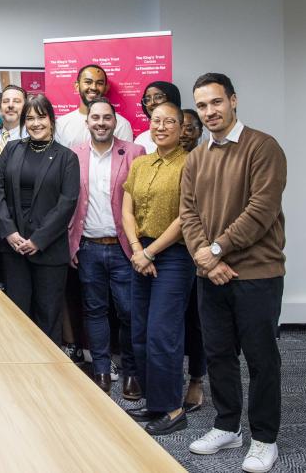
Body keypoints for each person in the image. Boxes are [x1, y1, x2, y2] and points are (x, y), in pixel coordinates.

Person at [183, 73, 287, 473]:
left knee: (262, 359)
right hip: (210, 274)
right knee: (218, 354)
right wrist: (207, 259)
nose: (210, 112)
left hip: (257, 273)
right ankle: (228, 426)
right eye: (203, 105)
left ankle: (264, 438)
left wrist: (214, 250)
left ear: (233, 101)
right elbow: (188, 213)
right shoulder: (196, 157)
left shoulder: (263, 147)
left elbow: (260, 211)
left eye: (216, 102)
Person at [121, 101, 195, 436]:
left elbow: (185, 217)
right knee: (140, 334)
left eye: (169, 122)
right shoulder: (140, 163)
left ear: (182, 129)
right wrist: (139, 250)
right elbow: (127, 208)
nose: (161, 126)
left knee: (162, 335)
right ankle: (155, 401)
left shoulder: (190, 164)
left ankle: (174, 409)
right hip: (141, 253)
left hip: (174, 257)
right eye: (155, 121)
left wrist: (150, 252)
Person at [67, 97, 145, 396]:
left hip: (124, 248)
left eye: (106, 118)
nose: (100, 122)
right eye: (95, 118)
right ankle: (100, 370)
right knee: (94, 311)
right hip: (87, 248)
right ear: (87, 122)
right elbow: (70, 204)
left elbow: (140, 201)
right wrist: (71, 244)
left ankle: (130, 372)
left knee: (128, 312)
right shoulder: (74, 155)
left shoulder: (134, 152)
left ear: (115, 121)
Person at [0, 94, 79, 344]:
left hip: (49, 250)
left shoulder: (67, 157)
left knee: (48, 315)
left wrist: (38, 239)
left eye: (41, 117)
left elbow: (67, 203)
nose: (36, 123)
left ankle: (48, 377)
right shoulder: (12, 149)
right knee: (17, 314)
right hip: (14, 248)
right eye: (30, 118)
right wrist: (10, 232)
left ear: (51, 120)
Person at [179, 106, 206, 412]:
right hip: (171, 252)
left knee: (198, 322)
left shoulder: (206, 161)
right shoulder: (166, 160)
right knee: (177, 321)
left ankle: (197, 380)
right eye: (180, 126)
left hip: (201, 253)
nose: (184, 133)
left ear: (200, 132)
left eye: (190, 128)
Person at [54, 64, 133, 147]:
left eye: (99, 83)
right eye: (88, 82)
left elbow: (126, 157)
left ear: (106, 88)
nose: (94, 87)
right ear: (77, 86)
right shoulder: (61, 124)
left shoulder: (121, 125)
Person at [133, 81, 182, 154]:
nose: (152, 102)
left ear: (172, 98)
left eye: (158, 97)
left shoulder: (187, 135)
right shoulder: (141, 140)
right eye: (148, 99)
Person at [0, 85, 26, 165]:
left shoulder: (32, 139)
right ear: (0, 109)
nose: (10, 105)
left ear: (25, 108)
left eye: (16, 101)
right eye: (5, 101)